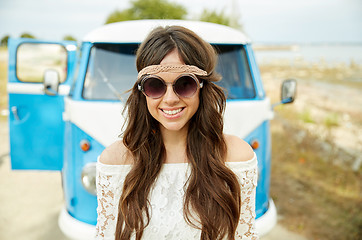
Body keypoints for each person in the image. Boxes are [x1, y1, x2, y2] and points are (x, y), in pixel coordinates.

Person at [95, 25, 259, 240]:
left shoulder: (236, 157)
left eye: (184, 84)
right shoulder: (116, 161)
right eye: (155, 86)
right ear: (142, 92)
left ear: (201, 87)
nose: (170, 98)